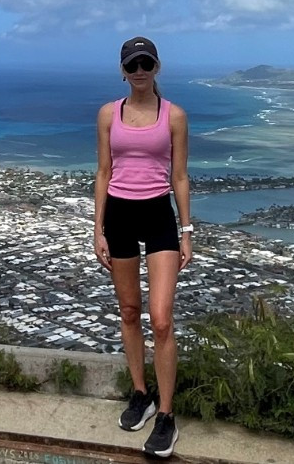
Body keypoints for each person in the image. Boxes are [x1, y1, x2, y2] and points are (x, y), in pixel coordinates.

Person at [93, 36, 192, 458]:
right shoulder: (107, 114)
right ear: (122, 70)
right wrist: (97, 229)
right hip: (118, 214)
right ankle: (141, 393)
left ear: (157, 67)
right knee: (130, 311)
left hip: (157, 216)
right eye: (132, 65)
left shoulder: (174, 115)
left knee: (162, 318)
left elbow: (180, 176)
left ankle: (167, 414)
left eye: (145, 64)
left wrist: (186, 230)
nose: (139, 71)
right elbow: (103, 171)